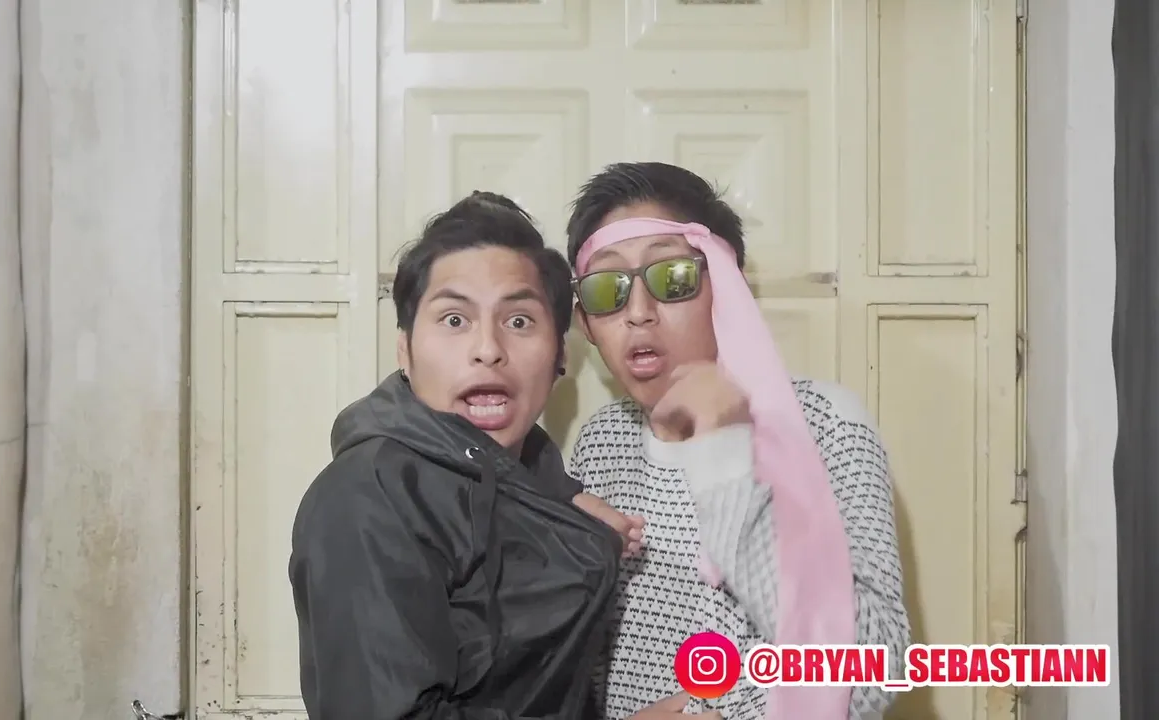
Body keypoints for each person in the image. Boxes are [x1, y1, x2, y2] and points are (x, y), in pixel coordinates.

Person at [288, 191, 666, 720]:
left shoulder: (533, 475)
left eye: (519, 321)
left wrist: (563, 504)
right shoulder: (367, 498)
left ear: (559, 353)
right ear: (405, 351)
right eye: (454, 320)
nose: (488, 349)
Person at [564, 163, 911, 720]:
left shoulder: (826, 424)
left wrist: (725, 457)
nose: (639, 314)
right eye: (608, 289)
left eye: (672, 277)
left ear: (728, 286)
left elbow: (874, 672)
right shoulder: (601, 443)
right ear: (585, 322)